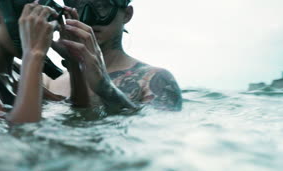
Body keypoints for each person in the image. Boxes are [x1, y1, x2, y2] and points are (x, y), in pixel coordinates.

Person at [49, 0, 183, 111]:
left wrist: (104, 87)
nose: (88, 17)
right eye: (79, 6)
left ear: (127, 14)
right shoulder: (49, 83)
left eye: (102, 7)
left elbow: (160, 130)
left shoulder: (155, 79)